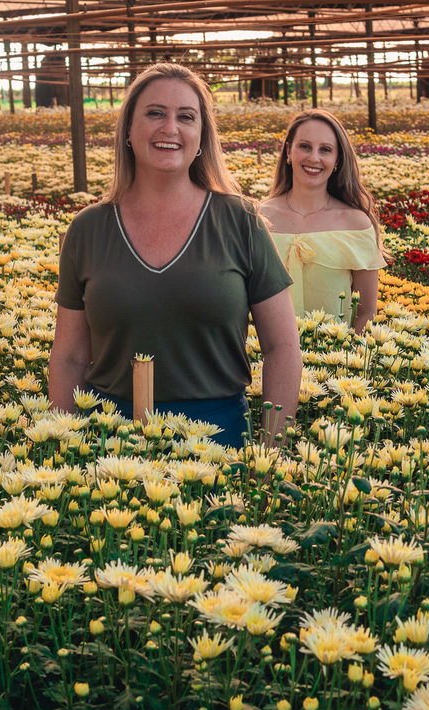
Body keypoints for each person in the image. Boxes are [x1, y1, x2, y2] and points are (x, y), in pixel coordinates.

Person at [48, 63, 302, 448]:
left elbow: (282, 346)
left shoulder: (240, 220)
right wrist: (63, 447)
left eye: (186, 117)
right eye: (155, 113)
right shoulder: (88, 228)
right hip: (110, 441)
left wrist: (272, 450)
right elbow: (68, 357)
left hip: (219, 437)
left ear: (201, 136)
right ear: (128, 131)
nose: (170, 128)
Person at [260, 110, 385, 333]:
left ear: (337, 161)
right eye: (305, 147)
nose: (314, 158)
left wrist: (347, 359)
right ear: (289, 152)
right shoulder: (258, 218)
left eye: (325, 150)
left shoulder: (356, 224)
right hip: (265, 361)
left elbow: (366, 312)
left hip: (334, 361)